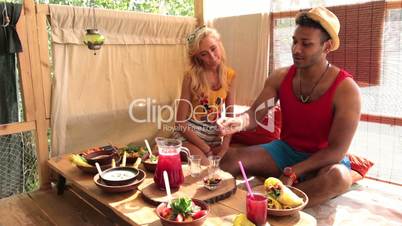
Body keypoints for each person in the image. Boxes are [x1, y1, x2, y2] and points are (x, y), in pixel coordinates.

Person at [218, 7, 361, 207]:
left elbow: (336, 151)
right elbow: (254, 115)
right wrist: (237, 122)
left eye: (306, 44)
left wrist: (295, 171)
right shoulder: (280, 77)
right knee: (231, 159)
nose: (296, 49)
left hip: (323, 160)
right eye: (294, 41)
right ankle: (285, 195)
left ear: (326, 47)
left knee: (339, 178)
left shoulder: (346, 90)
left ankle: (278, 203)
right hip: (285, 151)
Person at [174, 26, 236, 165]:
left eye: (213, 49)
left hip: (213, 140)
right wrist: (206, 149)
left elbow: (231, 117)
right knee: (207, 169)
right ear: (197, 57)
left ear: (219, 43)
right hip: (189, 139)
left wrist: (225, 146)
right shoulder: (191, 77)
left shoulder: (230, 75)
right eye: (204, 54)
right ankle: (165, 150)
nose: (212, 57)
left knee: (235, 161)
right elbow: (180, 122)